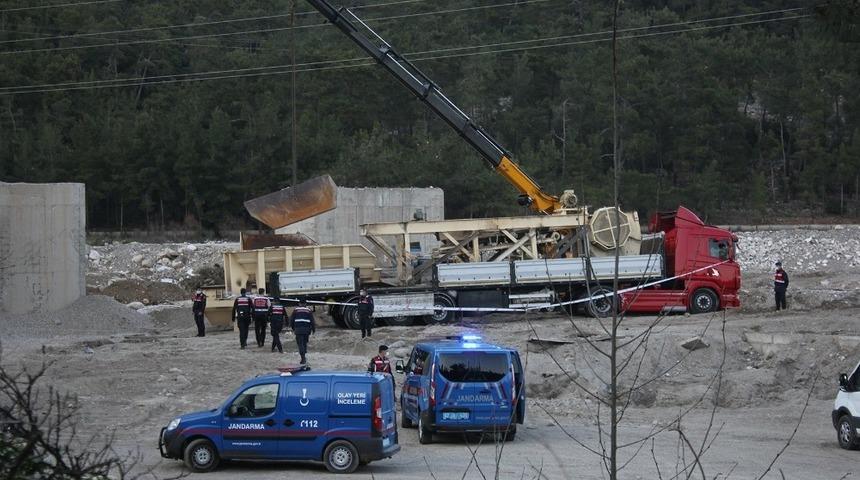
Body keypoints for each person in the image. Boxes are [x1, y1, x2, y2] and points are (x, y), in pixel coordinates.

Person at [290, 299, 316, 365]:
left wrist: (293, 328)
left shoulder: (295, 310)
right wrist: (313, 329)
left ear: (299, 303)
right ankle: (304, 355)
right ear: (305, 304)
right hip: (307, 330)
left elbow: (291, 320)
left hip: (298, 329)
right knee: (304, 342)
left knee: (300, 343)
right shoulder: (309, 310)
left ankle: (303, 357)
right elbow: (312, 321)